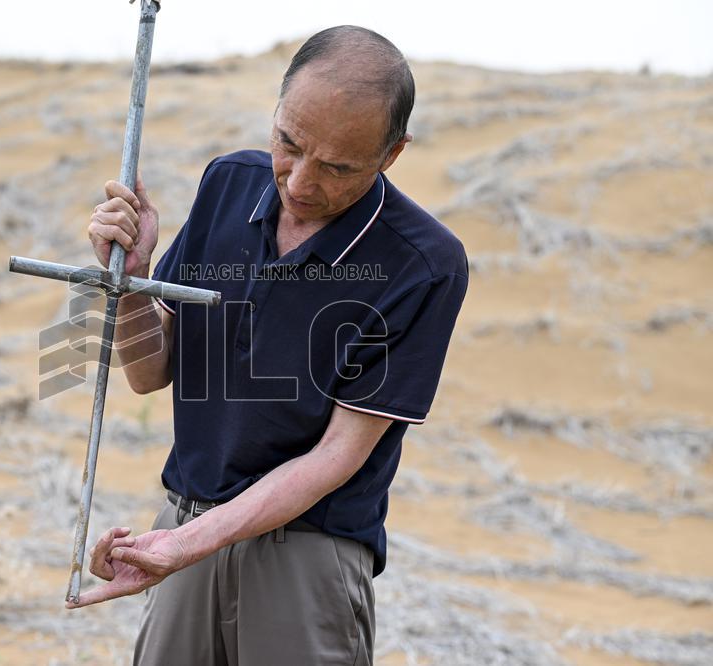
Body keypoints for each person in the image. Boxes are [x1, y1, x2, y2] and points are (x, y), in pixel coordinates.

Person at [75, 25, 469, 666]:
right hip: (186, 519)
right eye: (289, 143)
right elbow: (150, 373)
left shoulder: (424, 263)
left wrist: (183, 545)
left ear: (392, 154)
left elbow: (338, 456)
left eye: (339, 167)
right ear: (277, 111)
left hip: (309, 549)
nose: (301, 181)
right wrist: (132, 279)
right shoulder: (228, 182)